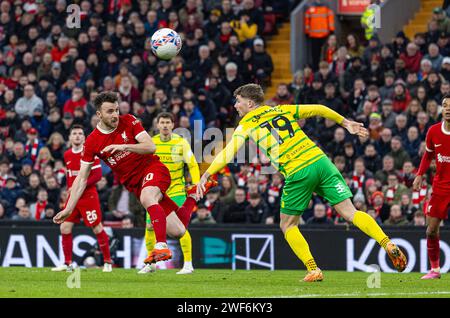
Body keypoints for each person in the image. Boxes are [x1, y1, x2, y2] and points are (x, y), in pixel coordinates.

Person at [196, 84, 407, 282]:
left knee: (287, 225)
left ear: (250, 104)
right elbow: (319, 108)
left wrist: (207, 174)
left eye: (238, 101)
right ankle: (387, 243)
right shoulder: (281, 109)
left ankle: (313, 268)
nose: (235, 105)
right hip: (321, 161)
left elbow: (228, 152)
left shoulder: (247, 124)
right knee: (351, 213)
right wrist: (346, 123)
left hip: (298, 171)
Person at [53, 92, 216, 266]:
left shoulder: (129, 120)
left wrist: (124, 146)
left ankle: (161, 246)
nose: (115, 114)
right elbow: (81, 178)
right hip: (135, 184)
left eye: (116, 109)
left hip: (153, 169)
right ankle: (192, 196)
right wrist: (69, 207)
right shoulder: (92, 142)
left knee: (148, 198)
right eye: (109, 111)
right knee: (177, 230)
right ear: (99, 114)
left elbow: (150, 146)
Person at [140, 112, 200, 275]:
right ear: (157, 125)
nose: (165, 125)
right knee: (150, 226)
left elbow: (193, 164)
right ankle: (151, 263)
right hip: (156, 192)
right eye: (162, 123)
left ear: (173, 125)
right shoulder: (152, 143)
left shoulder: (181, 143)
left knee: (180, 228)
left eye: (168, 122)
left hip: (176, 191)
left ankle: (188, 264)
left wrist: (196, 184)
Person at [52, 124, 112, 273]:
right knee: (64, 227)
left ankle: (107, 262)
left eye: (80, 133)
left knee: (97, 227)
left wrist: (79, 186)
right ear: (70, 137)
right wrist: (69, 189)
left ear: (84, 137)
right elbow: (69, 174)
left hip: (88, 197)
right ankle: (67, 263)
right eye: (75, 134)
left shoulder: (90, 153)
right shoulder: (67, 154)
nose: (77, 136)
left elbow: (97, 175)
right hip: (73, 198)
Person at [413, 94, 450, 280]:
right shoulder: (433, 131)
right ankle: (435, 270)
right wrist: (419, 175)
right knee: (431, 229)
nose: (448, 108)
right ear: (441, 109)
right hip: (441, 186)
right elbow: (428, 155)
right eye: (445, 105)